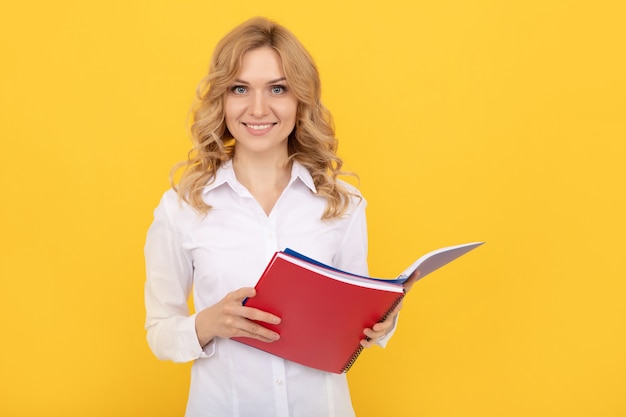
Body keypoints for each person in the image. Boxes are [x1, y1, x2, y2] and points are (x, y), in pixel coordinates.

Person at [144, 17, 414, 417]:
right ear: (221, 99)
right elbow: (160, 332)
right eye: (240, 88)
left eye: (278, 89)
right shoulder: (180, 208)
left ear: (300, 100)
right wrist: (208, 323)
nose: (258, 108)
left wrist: (381, 323)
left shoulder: (342, 203)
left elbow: (355, 324)